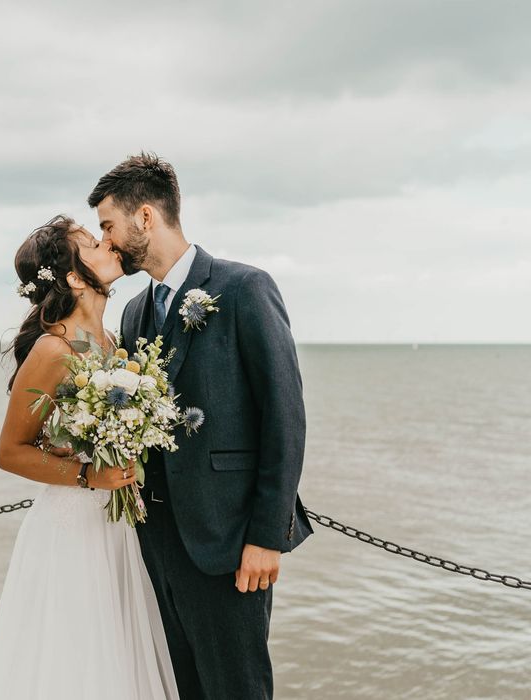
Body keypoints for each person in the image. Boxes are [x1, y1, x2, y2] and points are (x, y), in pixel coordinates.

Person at [88, 152, 314, 700]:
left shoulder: (244, 289)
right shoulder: (135, 312)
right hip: (158, 546)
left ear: (145, 217)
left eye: (108, 225)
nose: (108, 240)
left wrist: (267, 537)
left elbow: (285, 417)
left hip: (230, 542)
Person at [0, 214, 180, 699]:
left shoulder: (112, 342)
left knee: (121, 657)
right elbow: (9, 452)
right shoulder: (52, 349)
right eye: (93, 242)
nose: (108, 243)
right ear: (77, 278)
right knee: (76, 660)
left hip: (120, 528)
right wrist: (87, 475)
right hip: (74, 528)